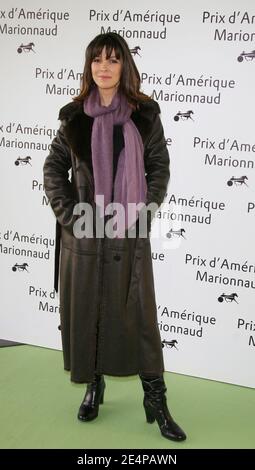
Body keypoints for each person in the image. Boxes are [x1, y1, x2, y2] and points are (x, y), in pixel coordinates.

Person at [43, 32, 186, 442]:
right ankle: (94, 385)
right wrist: (71, 213)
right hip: (85, 237)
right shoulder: (74, 117)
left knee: (139, 318)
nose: (103, 67)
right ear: (89, 68)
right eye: (96, 60)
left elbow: (158, 168)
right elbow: (53, 170)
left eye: (112, 60)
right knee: (89, 312)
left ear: (125, 66)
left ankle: (155, 399)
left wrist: (143, 209)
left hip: (127, 233)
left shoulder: (144, 116)